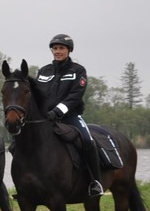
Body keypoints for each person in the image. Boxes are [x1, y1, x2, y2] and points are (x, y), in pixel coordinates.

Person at [34, 34, 104, 197]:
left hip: (70, 117)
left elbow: (75, 96)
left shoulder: (78, 71)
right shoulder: (44, 71)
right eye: (55, 48)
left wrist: (57, 112)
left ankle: (96, 182)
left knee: (88, 140)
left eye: (61, 48)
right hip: (46, 118)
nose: (58, 51)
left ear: (69, 50)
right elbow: (36, 95)